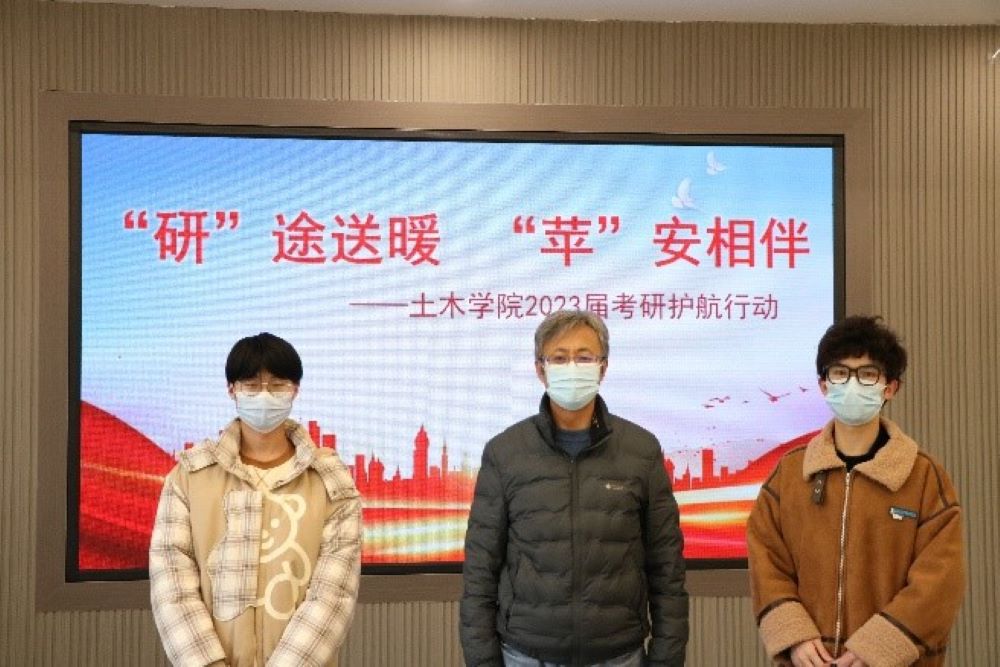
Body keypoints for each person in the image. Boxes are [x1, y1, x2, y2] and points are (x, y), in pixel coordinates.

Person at [460, 310, 689, 667]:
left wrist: (666, 659)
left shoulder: (641, 451)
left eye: (584, 358)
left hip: (619, 655)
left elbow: (667, 569)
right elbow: (479, 572)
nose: (572, 368)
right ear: (540, 370)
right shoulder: (505, 453)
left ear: (603, 367)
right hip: (525, 655)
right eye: (559, 358)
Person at [747, 316, 964, 667]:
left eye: (867, 374)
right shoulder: (790, 474)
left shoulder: (924, 476)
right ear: (823, 385)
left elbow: (940, 580)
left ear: (890, 387)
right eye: (840, 373)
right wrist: (793, 635)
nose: (851, 384)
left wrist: (878, 648)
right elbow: (766, 558)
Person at [150, 332, 362, 667]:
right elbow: (172, 587)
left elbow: (332, 595)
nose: (264, 396)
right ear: (231, 390)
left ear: (295, 390)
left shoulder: (331, 482)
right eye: (251, 385)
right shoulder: (189, 477)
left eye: (277, 385)